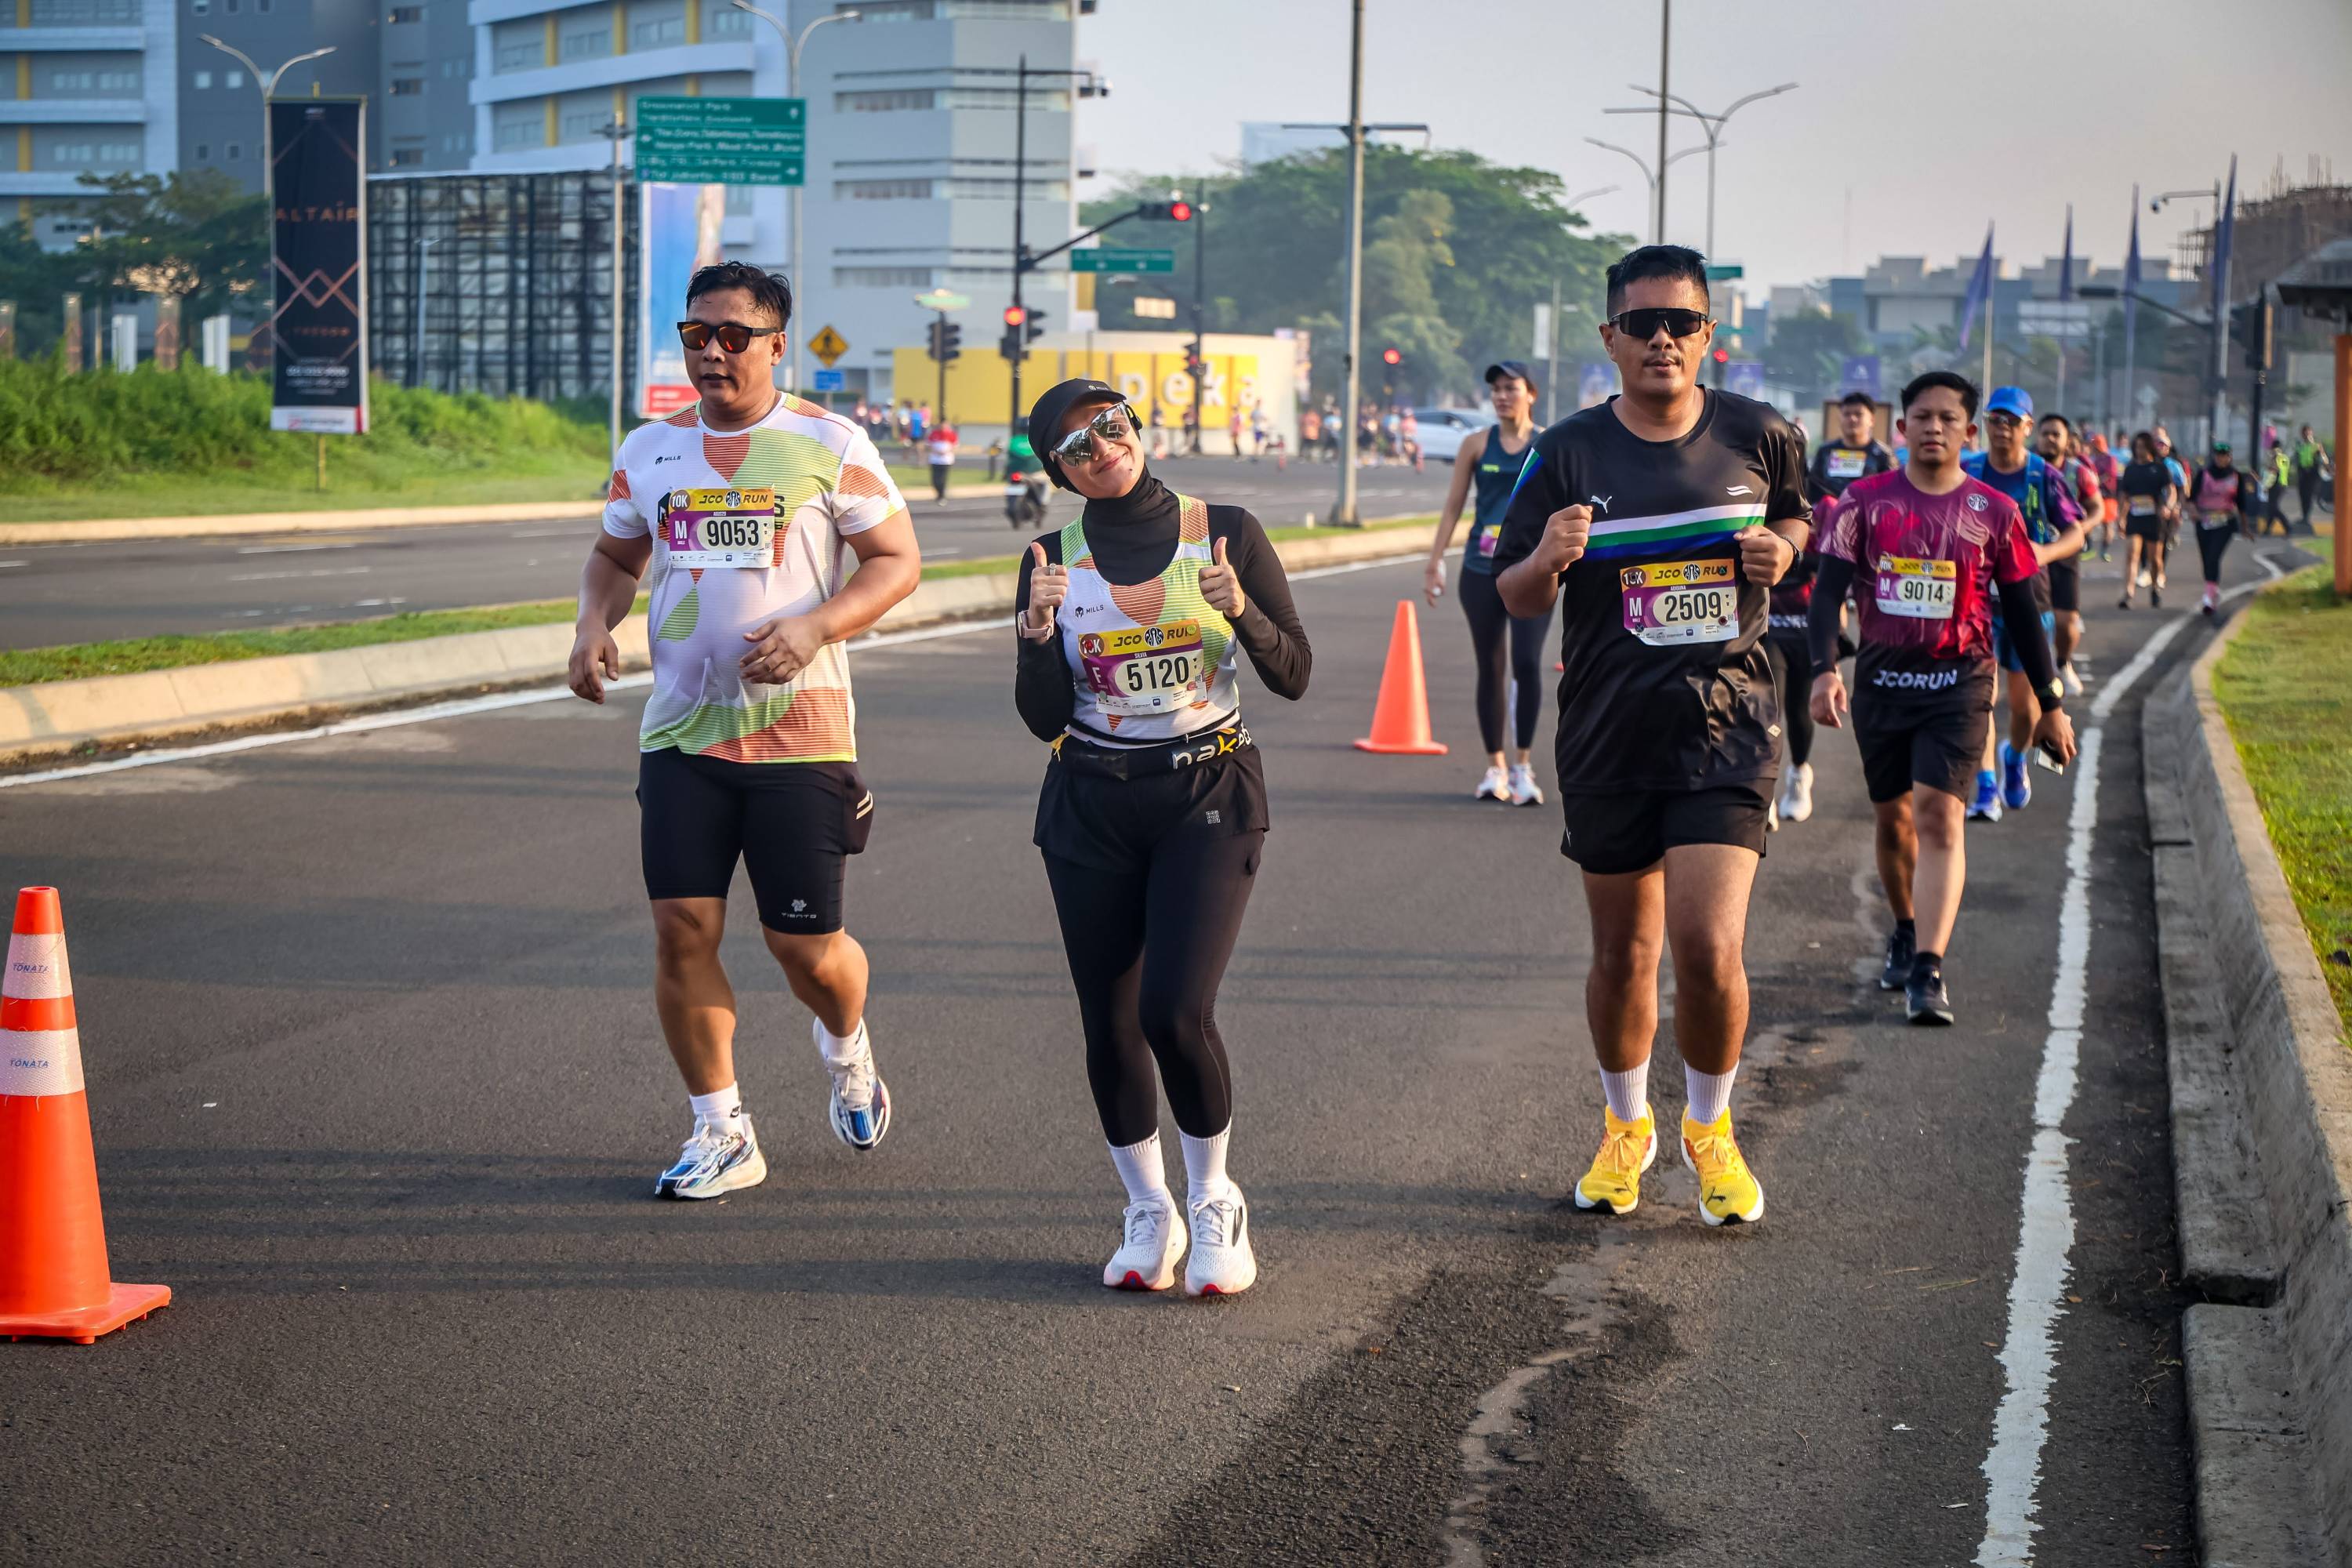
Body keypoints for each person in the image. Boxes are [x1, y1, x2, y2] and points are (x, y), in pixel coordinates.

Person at [568, 260, 922, 1200]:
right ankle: (722, 1128)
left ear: (775, 345)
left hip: (801, 735)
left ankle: (846, 1044)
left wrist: (816, 626)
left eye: (733, 336)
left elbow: (896, 560)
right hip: (680, 733)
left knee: (806, 950)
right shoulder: (650, 448)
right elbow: (615, 554)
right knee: (682, 928)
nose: (713, 352)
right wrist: (593, 622)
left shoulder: (829, 441)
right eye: (697, 335)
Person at [1494, 244, 1810, 1227]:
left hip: (1730, 726)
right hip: (1608, 732)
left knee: (1707, 945)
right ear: (1611, 338)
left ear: (1710, 334)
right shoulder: (1566, 452)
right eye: (1642, 324)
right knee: (1626, 953)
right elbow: (1513, 591)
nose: (1662, 340)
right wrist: (1549, 558)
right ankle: (1625, 1125)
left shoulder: (1761, 433)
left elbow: (1799, 521)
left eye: (1681, 322)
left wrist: (1784, 549)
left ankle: (1710, 1129)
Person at [1013, 379, 1312, 1296]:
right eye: (1076, 446)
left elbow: (1294, 672)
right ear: (1060, 472)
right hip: (1091, 801)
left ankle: (1215, 1196)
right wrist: (1036, 632)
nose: (1101, 447)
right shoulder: (1049, 559)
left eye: (1110, 426)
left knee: (1174, 1011)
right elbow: (1043, 715)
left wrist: (1241, 610)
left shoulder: (1225, 532)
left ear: (1134, 427)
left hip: (1206, 792)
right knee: (1108, 1021)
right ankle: (1148, 1208)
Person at [1808, 372, 2078, 1025]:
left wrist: (2051, 703)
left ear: (1968, 431)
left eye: (1948, 418)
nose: (1934, 427)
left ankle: (1928, 968)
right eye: (1922, 417)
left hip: (1960, 681)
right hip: (1882, 680)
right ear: (1902, 429)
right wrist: (1823, 671)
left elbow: (2023, 613)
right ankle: (1905, 927)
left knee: (1940, 817)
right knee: (1894, 821)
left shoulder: (1996, 512)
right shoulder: (1863, 503)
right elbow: (1827, 594)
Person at [1423, 361, 1549, 805]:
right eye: (1496, 389)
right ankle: (1495, 766)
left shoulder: (1547, 444)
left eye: (1510, 388)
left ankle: (1523, 766)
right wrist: (1435, 561)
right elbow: (1454, 505)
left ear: (1530, 393)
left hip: (1532, 572)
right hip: (1480, 571)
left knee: (1528, 664)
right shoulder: (1476, 444)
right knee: (1491, 667)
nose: (1501, 396)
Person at [1959, 387, 2082, 820]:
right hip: (1975, 603)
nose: (2002, 429)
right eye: (1995, 419)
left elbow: (2076, 532)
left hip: (2030, 601)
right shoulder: (1969, 470)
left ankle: (2014, 756)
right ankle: (1985, 786)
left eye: (2012, 421)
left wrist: (2043, 553)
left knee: (2025, 706)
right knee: (1980, 697)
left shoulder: (2042, 475)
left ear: (2028, 427)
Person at [1780, 392, 1896, 823]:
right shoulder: (1755, 491)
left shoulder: (1879, 460)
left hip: (1853, 559)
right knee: (1762, 701)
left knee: (1798, 700)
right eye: (1846, 415)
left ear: (1870, 420)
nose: (1851, 421)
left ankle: (1838, 650)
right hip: (1764, 616)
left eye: (1858, 415)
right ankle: (1761, 788)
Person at [2033, 412, 2103, 696]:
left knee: (2065, 622)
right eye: (2045, 433)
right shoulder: (2026, 466)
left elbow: (2097, 508)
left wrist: (2078, 530)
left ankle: (2063, 663)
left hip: (2063, 553)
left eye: (2056, 434)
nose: (2050, 439)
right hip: (2030, 554)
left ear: (2067, 440)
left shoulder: (2078, 472)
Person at [2114, 431, 2180, 610]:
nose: (2140, 451)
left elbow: (2171, 490)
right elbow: (2124, 495)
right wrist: (2121, 517)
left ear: (2150, 448)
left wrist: (2169, 506)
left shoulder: (2159, 468)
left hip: (2154, 519)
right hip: (2135, 517)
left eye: (2143, 447)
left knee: (2155, 559)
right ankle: (2128, 594)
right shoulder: (2130, 469)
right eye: (2137, 447)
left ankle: (2155, 589)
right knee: (2132, 555)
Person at [2190, 440, 2255, 615]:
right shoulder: (2204, 474)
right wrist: (2194, 512)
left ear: (2230, 457)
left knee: (2214, 556)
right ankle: (2212, 588)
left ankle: (2209, 598)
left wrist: (2245, 527)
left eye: (2225, 456)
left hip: (2225, 523)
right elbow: (2192, 499)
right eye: (2218, 455)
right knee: (2206, 558)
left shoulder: (2236, 476)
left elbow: (2241, 504)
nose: (2221, 459)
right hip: (2204, 521)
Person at [2084, 430, 2120, 561]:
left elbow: (2110, 474)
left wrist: (2096, 481)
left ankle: (2104, 551)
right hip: (2094, 495)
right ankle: (2089, 548)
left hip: (2108, 495)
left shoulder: (2110, 459)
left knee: (2108, 524)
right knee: (2088, 520)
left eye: (2095, 445)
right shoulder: (2092, 459)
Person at [2293, 423, 2332, 531]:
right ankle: (2304, 516)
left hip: (2312, 473)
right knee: (2303, 495)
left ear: (2311, 433)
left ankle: (2306, 517)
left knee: (2309, 495)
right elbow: (2296, 459)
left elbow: (2324, 458)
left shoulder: (2316, 446)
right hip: (2302, 473)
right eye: (2304, 433)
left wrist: (2328, 467)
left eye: (2308, 432)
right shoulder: (2300, 446)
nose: (2306, 435)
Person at [924, 416, 958, 503]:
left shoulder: (951, 434)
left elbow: (955, 446)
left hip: (946, 461)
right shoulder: (934, 434)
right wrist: (935, 450)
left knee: (942, 479)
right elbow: (928, 445)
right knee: (935, 480)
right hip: (935, 460)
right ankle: (939, 494)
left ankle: (942, 496)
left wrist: (946, 451)